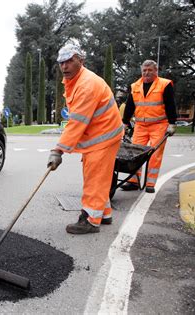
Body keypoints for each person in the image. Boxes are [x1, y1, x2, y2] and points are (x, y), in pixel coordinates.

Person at [47, 44, 124, 234]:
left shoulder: (87, 85)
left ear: (81, 61)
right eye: (61, 63)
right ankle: (104, 214)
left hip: (103, 137)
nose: (64, 66)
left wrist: (58, 150)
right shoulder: (74, 80)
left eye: (69, 61)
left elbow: (77, 122)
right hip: (99, 135)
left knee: (94, 179)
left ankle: (90, 220)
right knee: (100, 177)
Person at [121, 60, 177, 193]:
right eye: (144, 70)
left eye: (150, 70)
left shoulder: (164, 84)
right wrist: (125, 122)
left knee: (155, 154)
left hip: (159, 125)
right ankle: (133, 181)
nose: (146, 73)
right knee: (135, 153)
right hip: (140, 125)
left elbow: (170, 104)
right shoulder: (135, 86)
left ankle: (150, 183)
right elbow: (130, 105)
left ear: (155, 71)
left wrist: (172, 123)